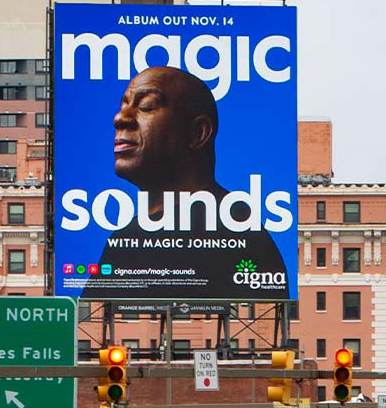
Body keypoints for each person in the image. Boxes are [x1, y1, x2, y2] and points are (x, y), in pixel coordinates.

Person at [97, 67, 290, 289]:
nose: (120, 118)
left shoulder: (239, 231)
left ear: (198, 132)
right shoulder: (127, 237)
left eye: (146, 106)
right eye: (124, 106)